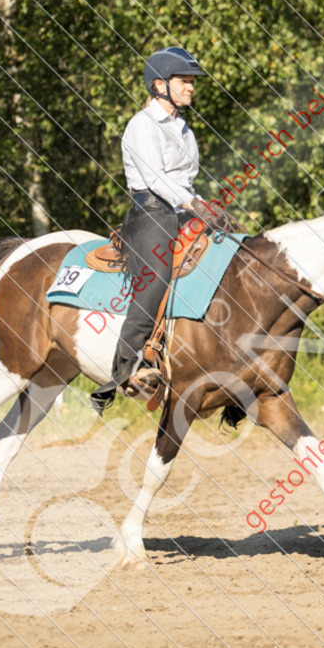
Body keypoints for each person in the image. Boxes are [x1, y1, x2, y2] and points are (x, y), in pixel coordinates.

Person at [90, 47, 207, 413]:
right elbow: (155, 179)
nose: (190, 88)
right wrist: (192, 205)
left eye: (191, 82)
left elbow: (185, 182)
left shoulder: (185, 130)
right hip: (151, 214)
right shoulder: (141, 125)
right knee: (155, 274)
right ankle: (127, 367)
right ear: (159, 85)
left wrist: (207, 207)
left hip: (181, 211)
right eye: (183, 81)